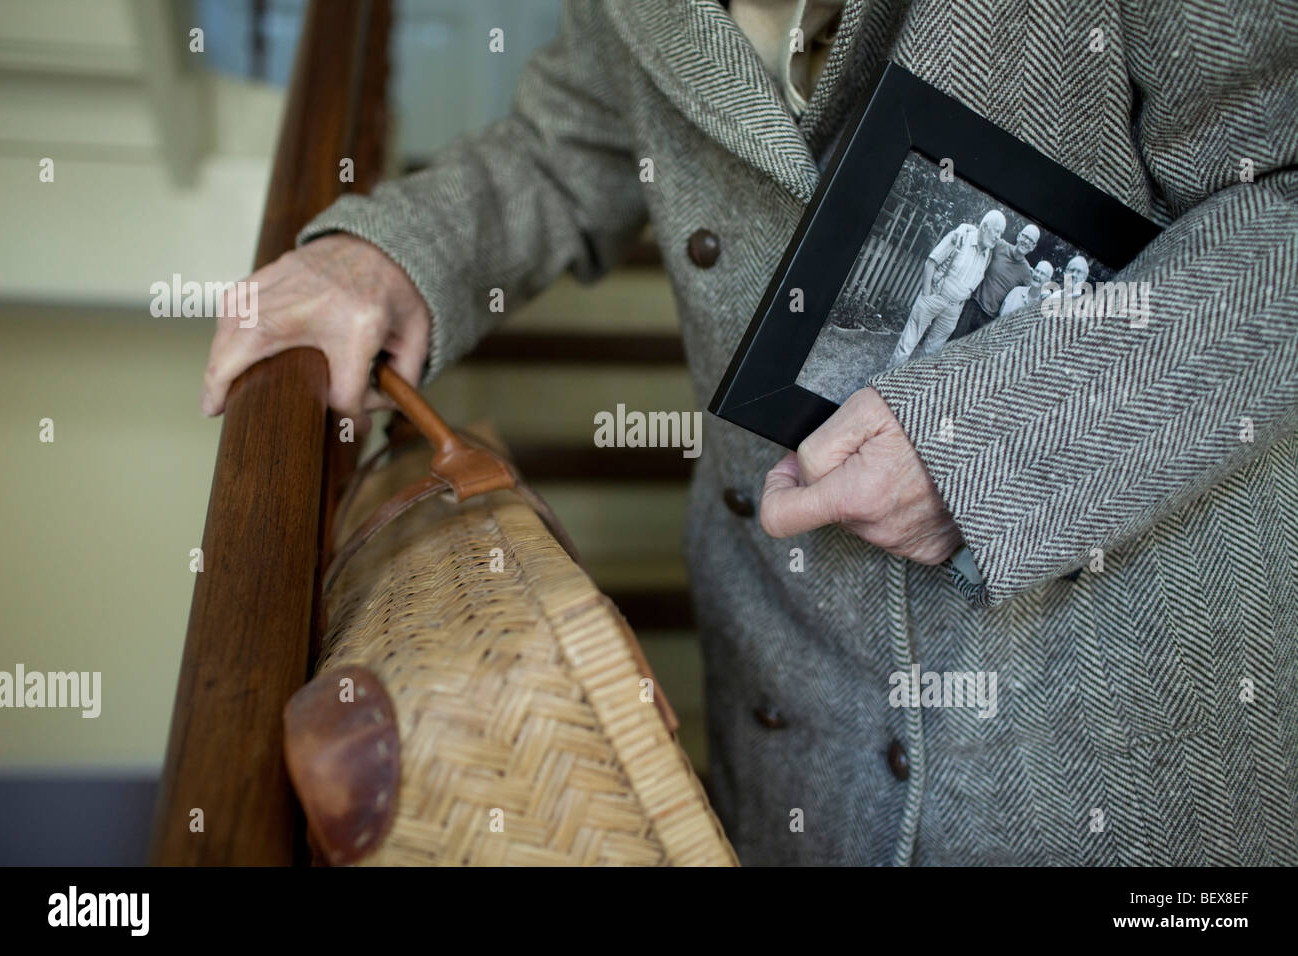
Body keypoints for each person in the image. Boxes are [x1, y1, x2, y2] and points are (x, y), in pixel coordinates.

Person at [201, 0, 1298, 866]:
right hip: (793, 705)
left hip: (1117, 703)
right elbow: (565, 145)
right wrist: (389, 251)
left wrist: (984, 437)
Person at [887, 209, 1004, 368]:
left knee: (931, 354)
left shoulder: (988, 255)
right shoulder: (960, 237)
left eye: (1001, 233)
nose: (998, 237)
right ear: (984, 227)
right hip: (935, 297)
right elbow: (931, 262)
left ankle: (909, 386)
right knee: (906, 345)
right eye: (996, 231)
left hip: (953, 310)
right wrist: (927, 294)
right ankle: (886, 381)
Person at [957, 223, 1038, 334]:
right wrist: (963, 227)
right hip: (973, 305)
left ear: (1033, 247)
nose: (1026, 242)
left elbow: (1030, 296)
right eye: (1025, 236)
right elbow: (981, 233)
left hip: (991, 320)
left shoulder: (1026, 272)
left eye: (1031, 241)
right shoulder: (1000, 246)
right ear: (1019, 236)